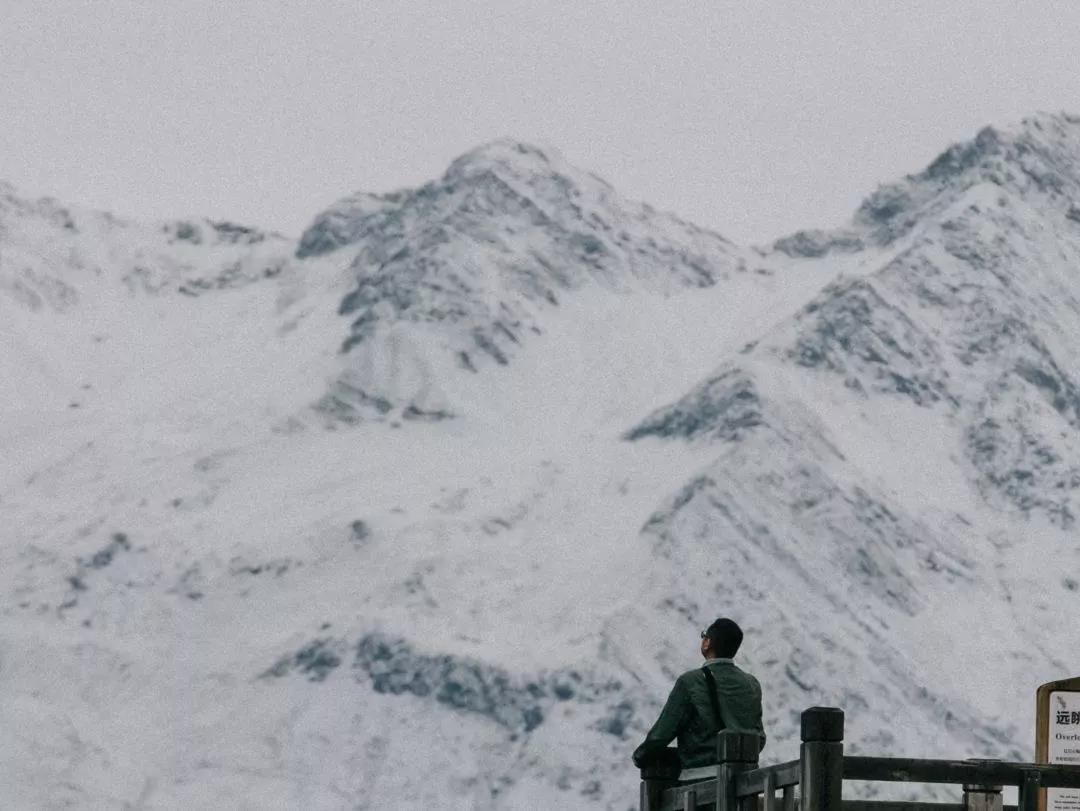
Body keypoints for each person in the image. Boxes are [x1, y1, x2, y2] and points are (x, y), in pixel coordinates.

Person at [632, 618, 765, 781]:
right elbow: (760, 736)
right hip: (746, 782)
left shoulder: (690, 682)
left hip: (700, 782)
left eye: (704, 636)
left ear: (707, 643)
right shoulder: (751, 683)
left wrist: (640, 757)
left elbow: (662, 733)